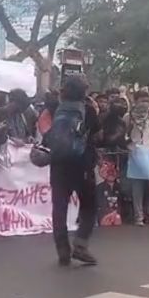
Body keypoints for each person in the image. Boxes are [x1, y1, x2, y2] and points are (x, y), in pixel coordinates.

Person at [47, 75, 100, 266]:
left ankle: (62, 248)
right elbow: (97, 134)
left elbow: (49, 134)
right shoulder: (88, 109)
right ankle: (81, 245)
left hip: (58, 164)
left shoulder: (57, 108)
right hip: (81, 164)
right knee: (89, 205)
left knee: (59, 207)